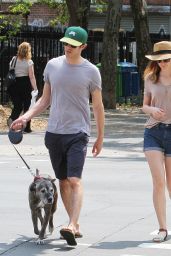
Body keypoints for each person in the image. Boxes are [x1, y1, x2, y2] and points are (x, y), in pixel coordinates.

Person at [11, 26, 104, 246]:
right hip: (54, 133)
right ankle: (75, 226)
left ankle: (71, 224)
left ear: (83, 46)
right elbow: (44, 100)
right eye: (65, 44)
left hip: (78, 133)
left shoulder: (91, 71)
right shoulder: (53, 66)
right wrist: (25, 117)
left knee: (74, 180)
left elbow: (98, 106)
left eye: (73, 45)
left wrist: (100, 136)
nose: (68, 48)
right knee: (62, 181)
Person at [142, 41, 171, 242]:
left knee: (170, 183)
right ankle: (162, 228)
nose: (162, 63)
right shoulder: (150, 78)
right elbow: (144, 105)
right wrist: (151, 110)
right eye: (159, 60)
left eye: (166, 60)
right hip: (153, 131)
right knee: (158, 182)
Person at [7, 42, 38, 133]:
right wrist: (35, 88)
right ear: (28, 50)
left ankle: (12, 119)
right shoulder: (29, 61)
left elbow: (10, 70)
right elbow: (31, 76)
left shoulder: (14, 59)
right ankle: (27, 127)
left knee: (17, 105)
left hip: (14, 85)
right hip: (25, 84)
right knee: (27, 107)